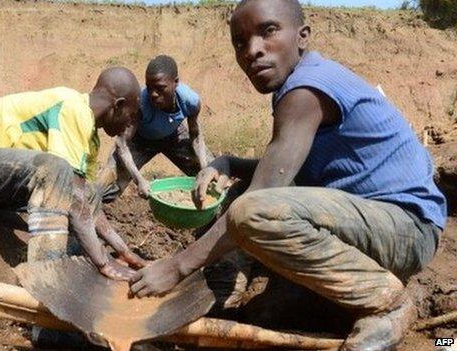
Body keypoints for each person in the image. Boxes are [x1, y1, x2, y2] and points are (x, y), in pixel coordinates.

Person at [129, 1, 446, 350]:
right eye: (239, 42)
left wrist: (176, 267)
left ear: (302, 37)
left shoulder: (305, 91)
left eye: (268, 31)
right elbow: (278, 170)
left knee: (251, 209)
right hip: (375, 223)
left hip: (406, 229)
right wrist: (228, 163)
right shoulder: (303, 82)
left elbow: (265, 192)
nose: (252, 51)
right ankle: (224, 287)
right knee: (267, 299)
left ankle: (387, 303)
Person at [0, 67, 147, 281]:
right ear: (118, 105)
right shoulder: (72, 107)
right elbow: (73, 195)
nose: (129, 126)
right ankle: (46, 274)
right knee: (57, 170)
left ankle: (64, 266)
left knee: (87, 190)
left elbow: (86, 200)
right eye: (131, 116)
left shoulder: (91, 139)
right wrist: (104, 262)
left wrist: (123, 251)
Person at [97, 55, 212, 201]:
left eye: (160, 88)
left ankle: (214, 217)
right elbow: (122, 144)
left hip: (174, 136)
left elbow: (195, 137)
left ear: (175, 82)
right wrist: (139, 180)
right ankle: (89, 217)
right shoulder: (140, 103)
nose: (153, 94)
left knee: (212, 175)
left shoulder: (190, 101)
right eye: (149, 88)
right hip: (140, 141)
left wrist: (204, 168)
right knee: (104, 187)